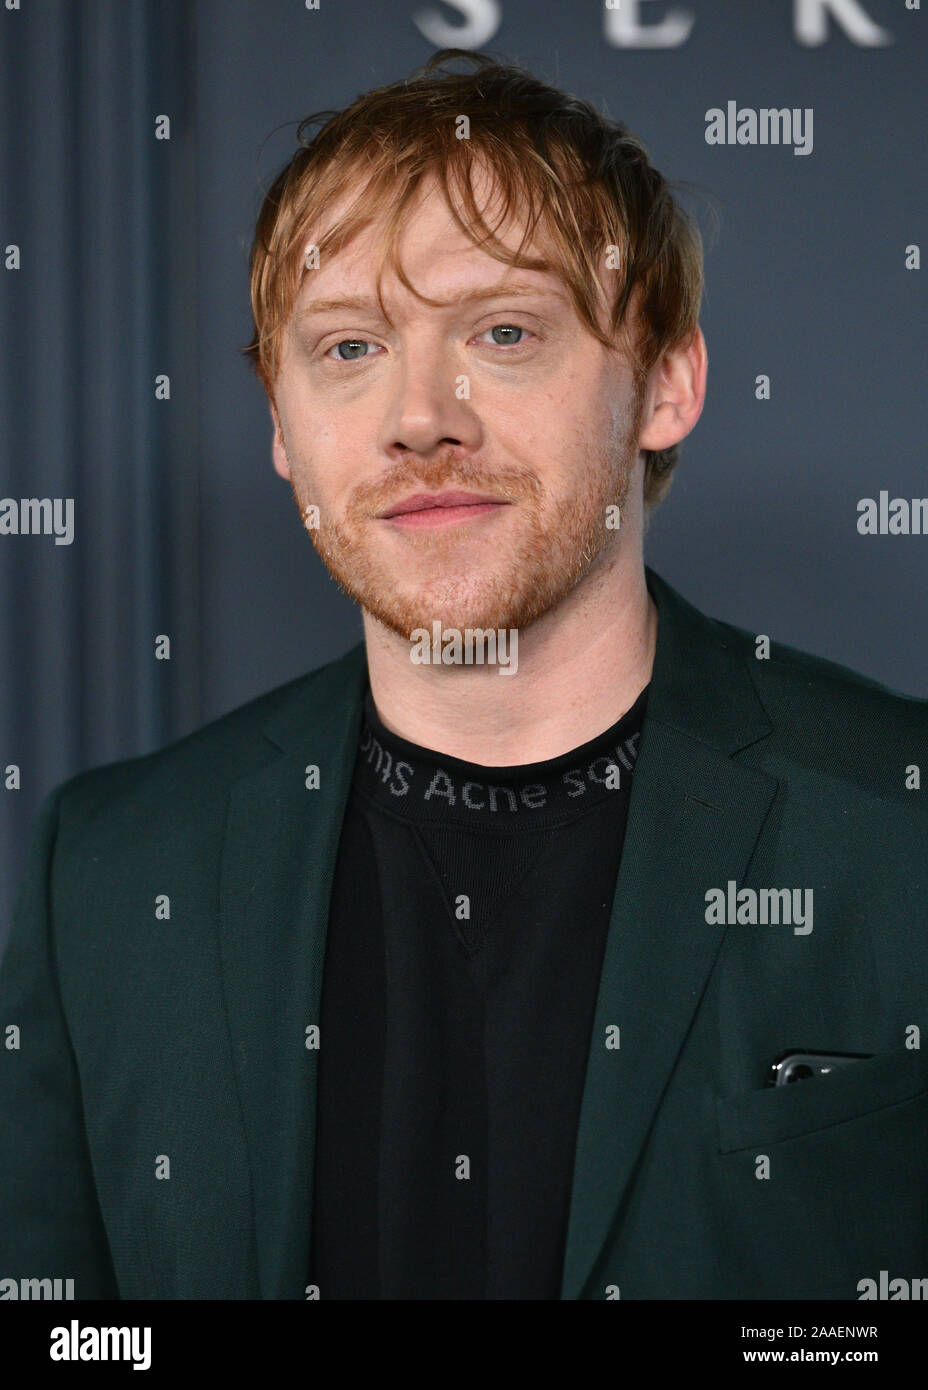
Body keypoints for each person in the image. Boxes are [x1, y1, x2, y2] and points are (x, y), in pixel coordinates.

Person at [1, 50, 925, 1302]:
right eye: (346, 348)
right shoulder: (108, 873)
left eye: (502, 331)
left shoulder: (897, 829)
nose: (419, 415)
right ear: (280, 425)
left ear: (665, 381)